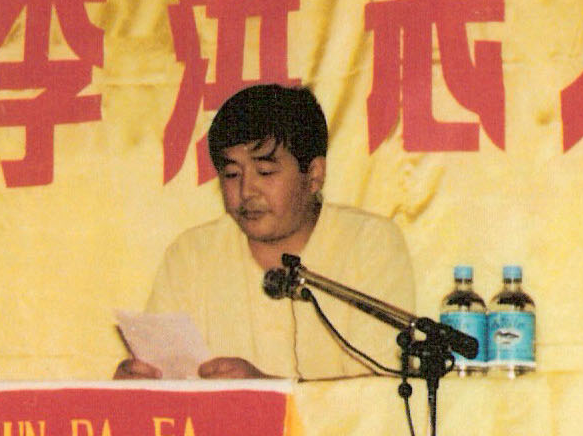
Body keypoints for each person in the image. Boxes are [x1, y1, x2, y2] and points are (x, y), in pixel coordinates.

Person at [117, 85, 415, 380]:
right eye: (232, 174)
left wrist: (266, 393)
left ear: (314, 175)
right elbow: (164, 382)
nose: (247, 191)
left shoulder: (370, 243)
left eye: (265, 172)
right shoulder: (191, 254)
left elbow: (387, 391)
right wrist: (136, 390)